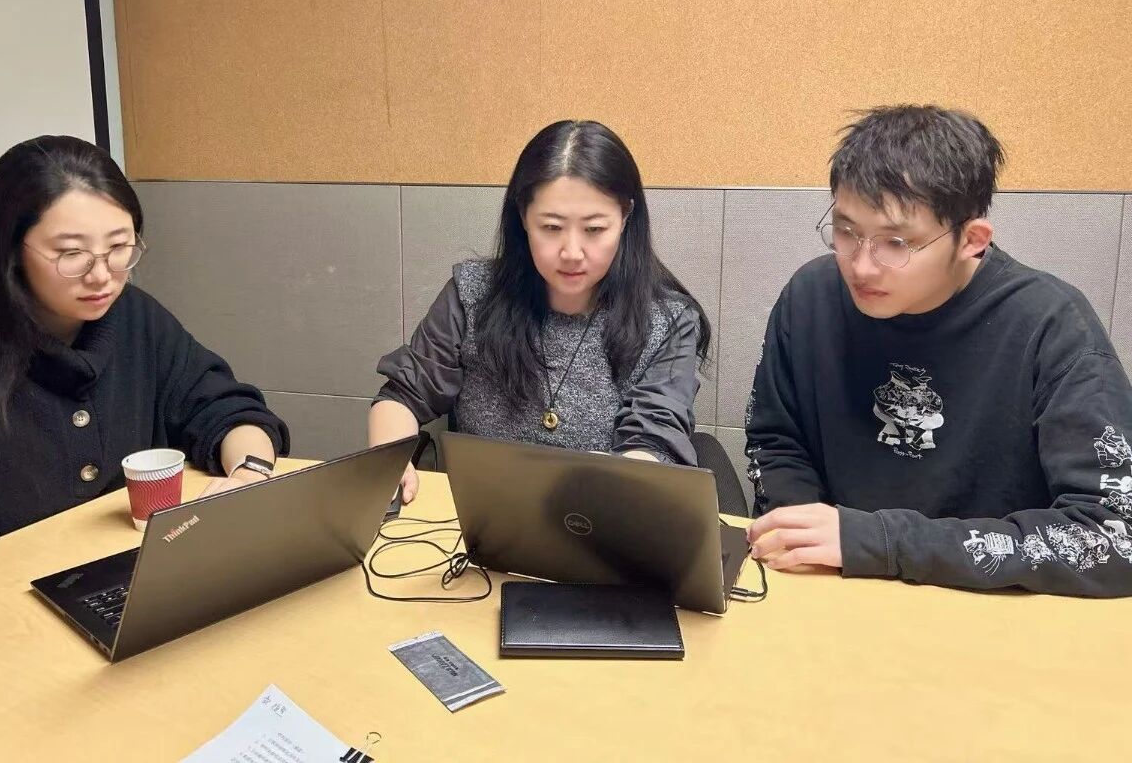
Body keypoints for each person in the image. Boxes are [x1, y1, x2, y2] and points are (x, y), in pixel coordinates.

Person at [0, 136, 289, 720]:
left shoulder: (133, 318)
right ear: (10, 249)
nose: (102, 275)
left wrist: (250, 473)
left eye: (120, 247)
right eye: (71, 253)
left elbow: (223, 407)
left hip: (110, 606)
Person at [745, 105, 1132, 597]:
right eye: (846, 231)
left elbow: (1115, 536)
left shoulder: (1051, 325)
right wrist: (801, 533)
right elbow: (776, 440)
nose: (861, 266)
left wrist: (880, 542)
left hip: (984, 607)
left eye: (896, 243)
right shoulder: (811, 297)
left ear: (971, 240)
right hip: (833, 589)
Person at [370, 119, 710, 503]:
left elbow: (654, 440)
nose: (572, 252)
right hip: (481, 518)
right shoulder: (472, 295)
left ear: (625, 217)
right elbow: (402, 395)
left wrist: (621, 477)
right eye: (551, 227)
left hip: (601, 519)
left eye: (594, 230)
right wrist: (389, 461)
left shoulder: (668, 322)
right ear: (523, 217)